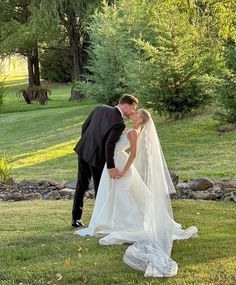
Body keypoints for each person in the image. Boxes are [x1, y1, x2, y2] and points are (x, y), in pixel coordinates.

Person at [75, 108, 198, 277]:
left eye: (136, 113)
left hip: (122, 166)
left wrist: (124, 171)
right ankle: (117, 219)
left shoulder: (133, 132)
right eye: (133, 112)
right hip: (117, 162)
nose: (132, 114)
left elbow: (133, 154)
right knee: (117, 196)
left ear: (140, 119)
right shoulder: (131, 130)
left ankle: (129, 222)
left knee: (122, 196)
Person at [71, 94, 138, 228]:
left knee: (81, 184)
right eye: (132, 108)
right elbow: (109, 145)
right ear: (126, 105)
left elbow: (84, 126)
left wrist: (87, 143)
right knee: (99, 188)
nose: (132, 111)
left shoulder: (99, 108)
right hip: (98, 158)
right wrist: (111, 167)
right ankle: (99, 220)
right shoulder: (119, 123)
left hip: (83, 150)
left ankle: (75, 218)